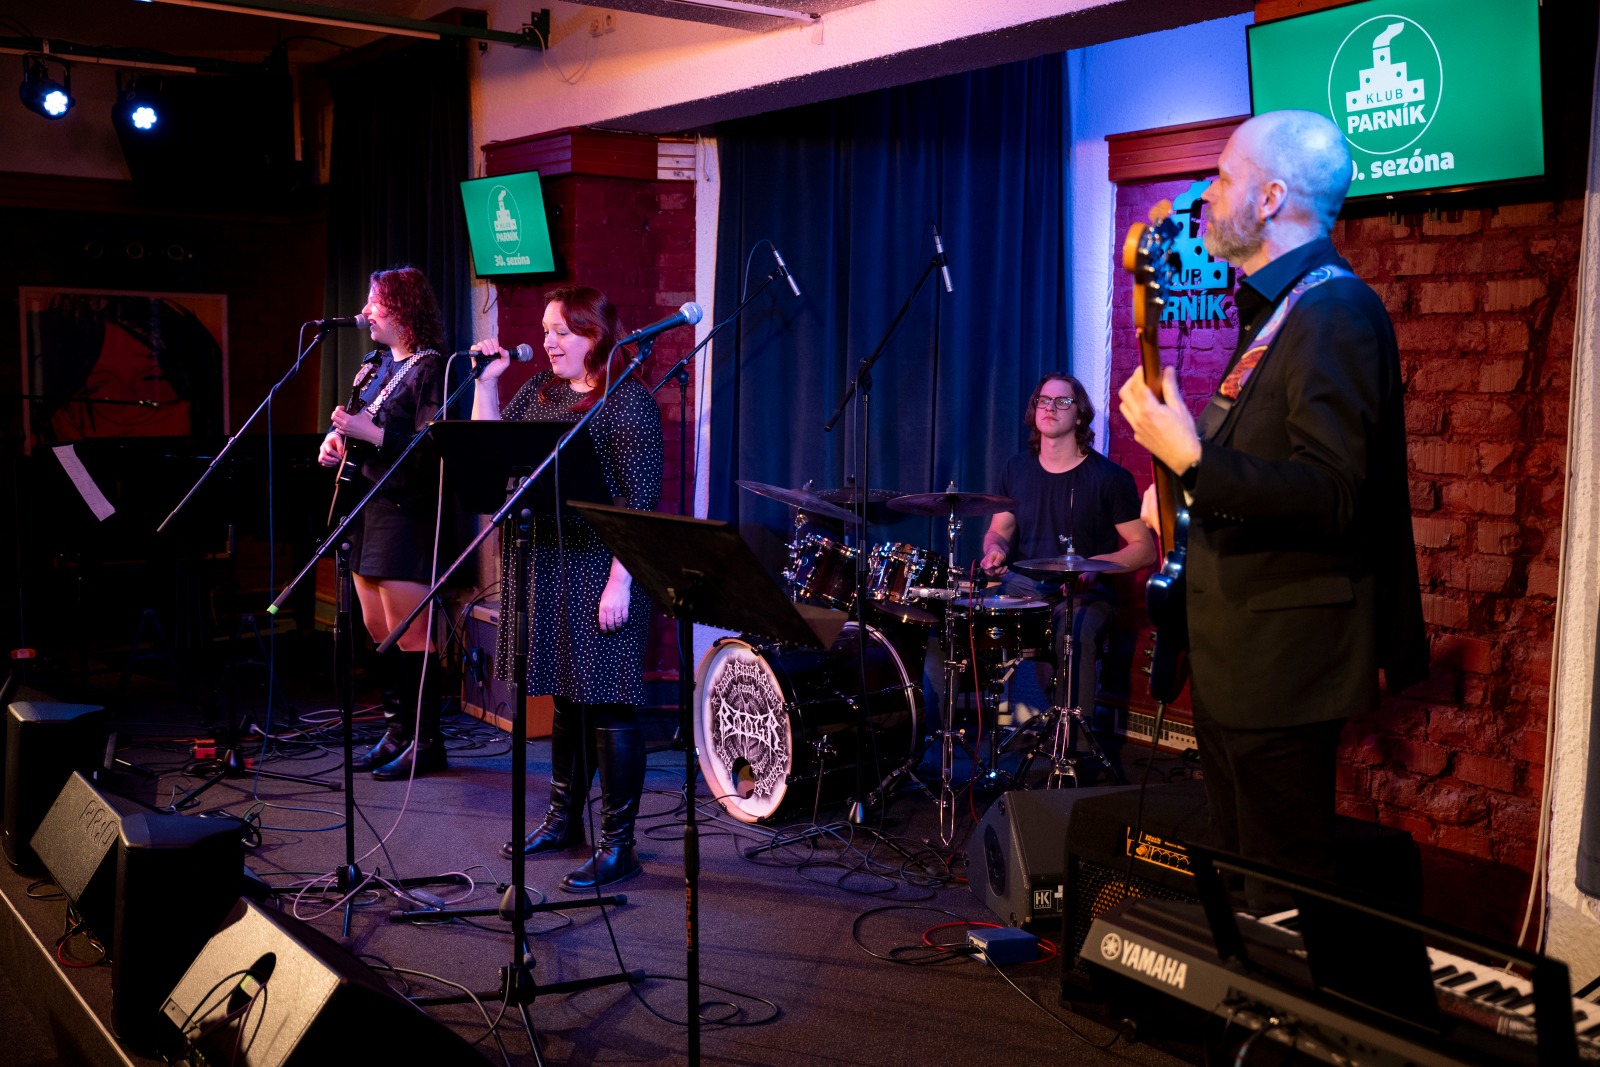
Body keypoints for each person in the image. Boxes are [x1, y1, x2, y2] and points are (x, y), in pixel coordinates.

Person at [1118, 110, 1426, 905]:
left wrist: (1193, 460)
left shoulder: (1334, 312)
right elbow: (1259, 472)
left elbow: (1334, 494)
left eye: (1223, 177)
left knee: (1283, 892)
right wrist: (1178, 491)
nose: (1206, 196)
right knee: (1241, 879)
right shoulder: (1285, 310)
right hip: (1240, 654)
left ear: (1272, 198)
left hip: (1282, 662)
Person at [471, 285, 663, 892]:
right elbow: (488, 456)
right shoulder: (540, 391)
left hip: (603, 568)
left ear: (594, 336)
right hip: (547, 563)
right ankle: (563, 821)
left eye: (560, 332)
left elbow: (640, 504)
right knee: (565, 696)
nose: (548, 342)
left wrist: (620, 582)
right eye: (546, 331)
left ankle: (619, 845)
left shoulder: (627, 401)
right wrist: (487, 385)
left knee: (609, 702)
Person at [316, 266, 449, 780]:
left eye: (376, 302)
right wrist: (337, 440)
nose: (366, 311)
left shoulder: (431, 368)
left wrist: (370, 435)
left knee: (408, 631)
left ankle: (427, 741)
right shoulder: (373, 365)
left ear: (405, 310)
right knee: (376, 627)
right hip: (364, 505)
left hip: (402, 509)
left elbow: (432, 449)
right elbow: (358, 424)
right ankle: (397, 730)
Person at [979, 372, 1157, 719]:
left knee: (1074, 633)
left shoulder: (1109, 478)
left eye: (1062, 401)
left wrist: (1094, 566)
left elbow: (1144, 548)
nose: (1051, 408)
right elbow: (999, 530)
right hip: (1023, 586)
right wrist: (994, 550)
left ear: (1079, 415)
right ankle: (978, 728)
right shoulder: (1016, 468)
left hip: (1082, 594)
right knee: (961, 617)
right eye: (1044, 401)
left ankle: (1072, 740)